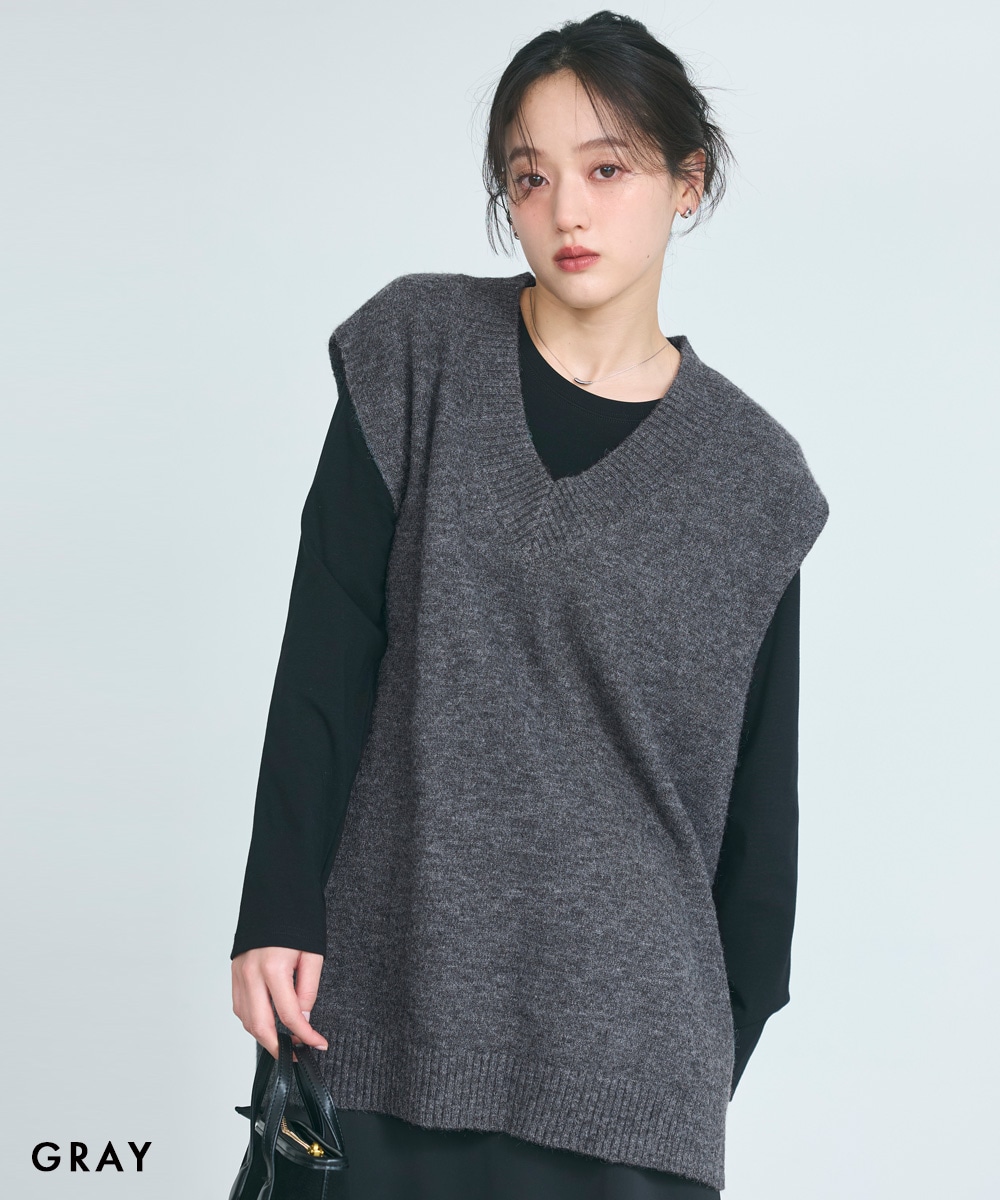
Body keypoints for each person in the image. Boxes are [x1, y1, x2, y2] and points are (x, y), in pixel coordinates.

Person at [230, 11, 829, 1197]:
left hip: (629, 1079)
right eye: (530, 176)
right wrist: (276, 907)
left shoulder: (755, 482)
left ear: (686, 183)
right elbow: (325, 658)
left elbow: (758, 829)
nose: (567, 212)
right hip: (380, 1019)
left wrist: (683, 1067)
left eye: (607, 170)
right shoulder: (418, 355)